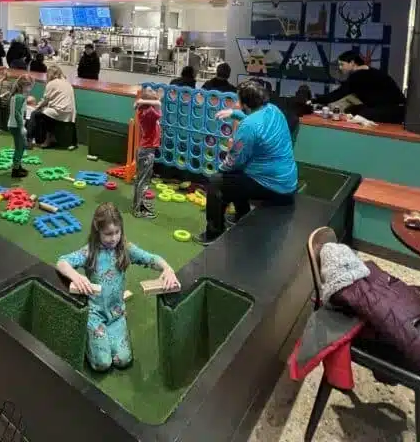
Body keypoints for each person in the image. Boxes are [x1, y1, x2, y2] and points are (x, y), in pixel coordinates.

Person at [55, 204, 180, 371]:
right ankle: (87, 337)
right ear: (97, 231)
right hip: (95, 313)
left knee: (123, 360)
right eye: (108, 234)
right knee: (102, 363)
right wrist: (77, 276)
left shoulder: (125, 249)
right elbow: (62, 262)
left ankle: (106, 336)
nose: (114, 238)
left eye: (117, 232)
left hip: (116, 314)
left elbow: (151, 258)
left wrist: (168, 269)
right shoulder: (90, 251)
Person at [196, 81, 297, 245]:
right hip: (287, 181)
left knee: (217, 181)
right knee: (238, 175)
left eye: (238, 101)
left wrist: (220, 169)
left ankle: (214, 234)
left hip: (273, 188)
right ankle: (240, 216)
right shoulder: (273, 110)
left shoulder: (248, 127)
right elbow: (257, 122)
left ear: (245, 104)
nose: (236, 103)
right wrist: (234, 113)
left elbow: (233, 161)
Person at [315, 50, 406, 123]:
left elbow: (338, 93)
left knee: (361, 114)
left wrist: (315, 100)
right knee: (352, 109)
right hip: (393, 108)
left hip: (394, 110)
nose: (340, 67)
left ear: (352, 63)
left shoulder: (358, 76)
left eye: (342, 64)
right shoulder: (368, 71)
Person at [30, 65, 77, 148]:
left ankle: (32, 139)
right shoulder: (67, 83)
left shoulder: (52, 83)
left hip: (59, 112)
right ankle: (52, 138)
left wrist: (37, 107)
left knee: (36, 114)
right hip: (70, 113)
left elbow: (45, 100)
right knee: (47, 114)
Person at [132, 88, 161, 218]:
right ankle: (138, 210)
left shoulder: (142, 110)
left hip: (144, 150)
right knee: (143, 181)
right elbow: (159, 106)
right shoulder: (149, 113)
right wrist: (153, 101)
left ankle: (138, 204)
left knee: (141, 180)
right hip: (147, 151)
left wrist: (142, 101)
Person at [6, 75, 34, 178]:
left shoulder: (16, 96)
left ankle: (18, 166)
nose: (30, 88)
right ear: (25, 85)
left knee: (21, 147)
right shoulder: (20, 97)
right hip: (16, 126)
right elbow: (17, 113)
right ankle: (15, 170)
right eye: (30, 86)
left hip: (14, 125)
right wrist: (21, 126)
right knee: (20, 148)